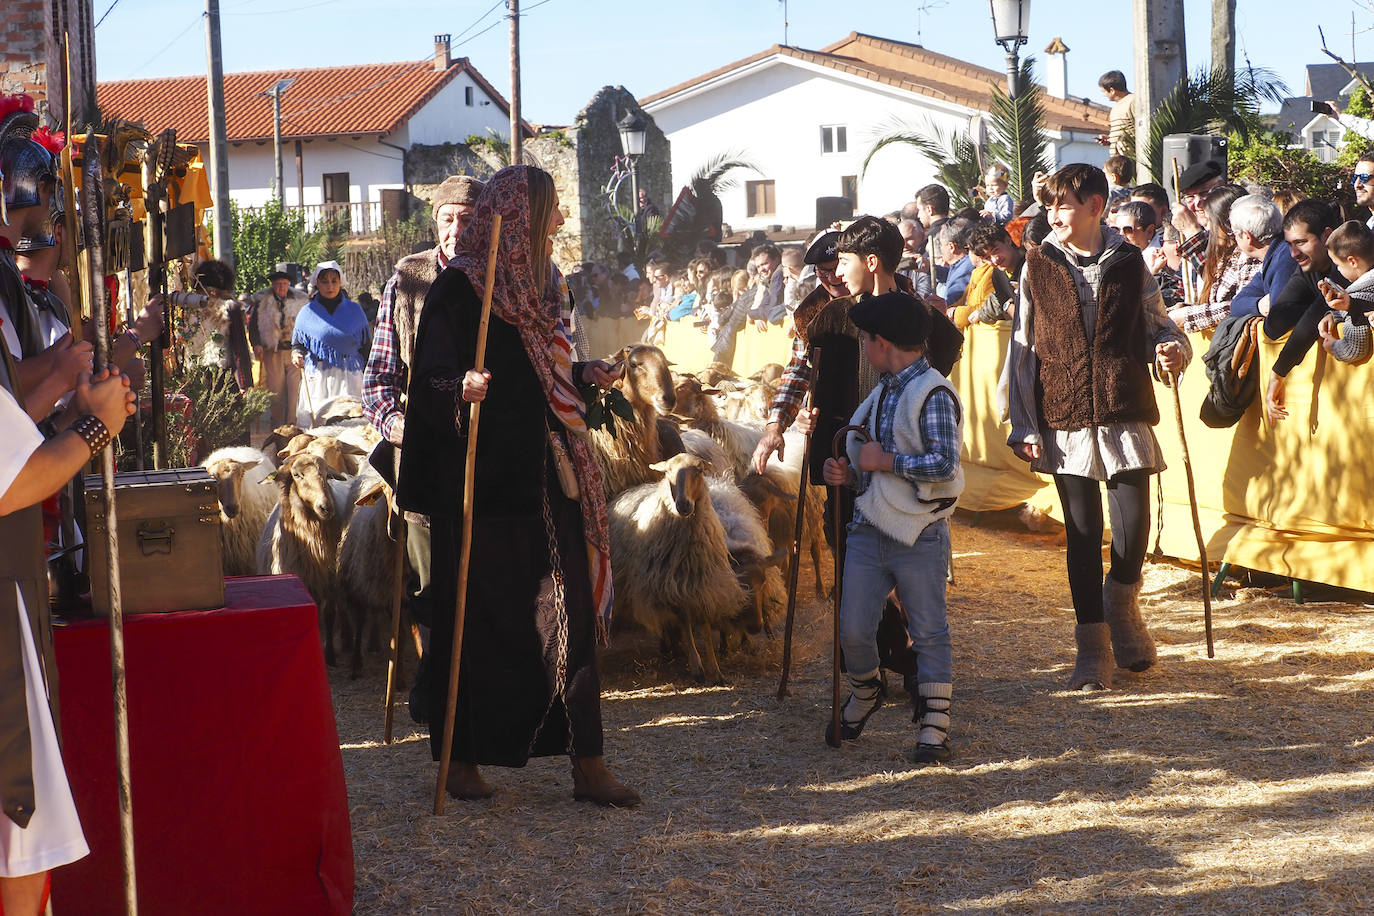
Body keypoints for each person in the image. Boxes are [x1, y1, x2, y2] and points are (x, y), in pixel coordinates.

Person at [397, 164, 638, 807]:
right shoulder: (460, 292)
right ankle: (461, 760)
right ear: (518, 220)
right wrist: (461, 390)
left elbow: (543, 375)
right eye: (550, 209)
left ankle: (588, 762)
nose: (559, 221)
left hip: (546, 480)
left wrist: (584, 374)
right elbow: (430, 382)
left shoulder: (543, 287)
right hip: (481, 489)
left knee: (573, 617)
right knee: (480, 624)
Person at [1006, 164, 1189, 691]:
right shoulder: (1036, 264)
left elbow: (1160, 323)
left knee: (1134, 530)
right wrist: (1023, 422)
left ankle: (1120, 600)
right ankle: (1092, 649)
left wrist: (1172, 348)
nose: (1052, 215)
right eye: (1048, 205)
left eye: (1062, 205)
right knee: (1082, 536)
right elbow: (1022, 346)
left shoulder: (1131, 262)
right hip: (1062, 414)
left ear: (1095, 206)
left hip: (1123, 405)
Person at [752, 216, 962, 549]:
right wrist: (781, 422)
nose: (834, 276)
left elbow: (938, 376)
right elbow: (799, 371)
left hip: (905, 463)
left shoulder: (920, 316)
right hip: (847, 453)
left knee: (908, 556)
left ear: (870, 262)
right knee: (845, 539)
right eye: (823, 272)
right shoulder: (822, 317)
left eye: (841, 264)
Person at [821, 290, 963, 764]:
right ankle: (866, 688)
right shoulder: (883, 391)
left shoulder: (935, 392)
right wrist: (846, 472)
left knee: (928, 630)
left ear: (882, 343)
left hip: (919, 531)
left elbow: (944, 464)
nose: (863, 346)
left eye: (865, 338)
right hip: (869, 525)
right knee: (854, 628)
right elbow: (864, 457)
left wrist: (887, 461)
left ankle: (935, 723)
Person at [363, 173, 484, 724]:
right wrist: (397, 425)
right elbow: (379, 380)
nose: (456, 230)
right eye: (447, 219)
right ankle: (439, 694)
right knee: (433, 584)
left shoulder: (499, 280)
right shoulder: (407, 280)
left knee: (486, 579)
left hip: (488, 457)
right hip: (426, 459)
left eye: (466, 219)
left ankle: (484, 694)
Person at [1262, 200, 1345, 422]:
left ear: (1327, 235)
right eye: (1289, 244)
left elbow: (1312, 317)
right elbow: (1274, 324)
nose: (1293, 253)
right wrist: (1318, 311)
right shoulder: (1308, 267)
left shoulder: (1350, 260)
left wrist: (1278, 374)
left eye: (1300, 242)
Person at [1167, 186, 1258, 333]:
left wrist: (1189, 315)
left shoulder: (1250, 256)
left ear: (1226, 224)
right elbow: (1215, 301)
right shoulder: (1229, 256)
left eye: (1210, 221)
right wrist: (1187, 308)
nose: (1206, 228)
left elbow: (1242, 306)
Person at [291, 261, 370, 427]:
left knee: (352, 421)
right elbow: (298, 344)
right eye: (325, 281)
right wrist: (296, 354)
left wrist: (370, 375)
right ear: (317, 283)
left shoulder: (355, 311)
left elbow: (366, 347)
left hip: (350, 377)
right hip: (319, 378)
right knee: (319, 424)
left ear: (340, 282)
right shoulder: (307, 312)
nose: (330, 286)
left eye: (334, 281)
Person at [250, 266, 308, 426]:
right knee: (276, 389)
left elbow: (306, 323)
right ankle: (277, 421)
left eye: (284, 283)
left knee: (294, 387)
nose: (281, 287)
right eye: (277, 284)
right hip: (273, 351)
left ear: (288, 284)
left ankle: (291, 421)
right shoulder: (263, 301)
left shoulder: (300, 301)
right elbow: (253, 324)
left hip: (293, 350)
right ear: (273, 285)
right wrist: (256, 343)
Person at [1317, 219, 1374, 364]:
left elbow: (1355, 349)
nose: (1337, 270)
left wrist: (1333, 346)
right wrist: (1335, 314)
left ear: (1353, 262)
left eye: (1338, 265)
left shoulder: (1357, 296)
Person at [1096, 70, 1136, 157]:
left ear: (1112, 90)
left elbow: (1142, 128)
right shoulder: (1116, 107)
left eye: (1104, 92)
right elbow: (1124, 131)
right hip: (1117, 159)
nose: (1104, 95)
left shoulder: (1133, 101)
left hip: (1131, 158)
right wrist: (1110, 139)